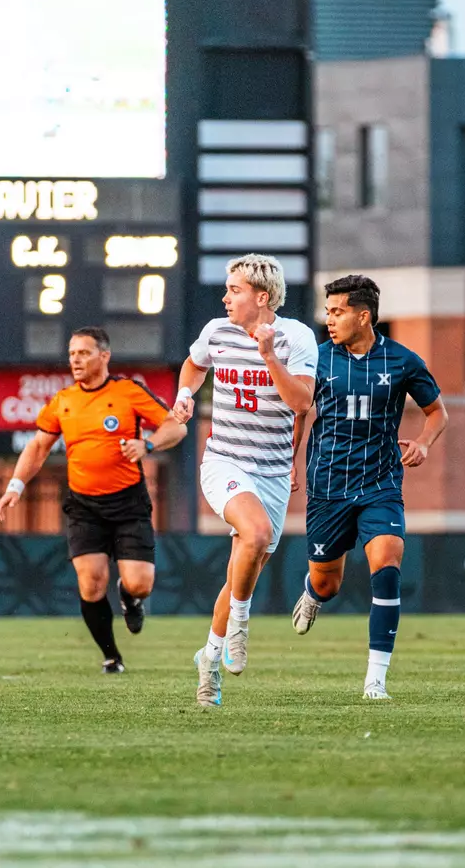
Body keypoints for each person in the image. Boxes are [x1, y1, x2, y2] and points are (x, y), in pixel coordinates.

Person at [291, 275, 448, 700]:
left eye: (337, 311)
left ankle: (375, 679)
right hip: (328, 487)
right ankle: (312, 593)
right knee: (328, 584)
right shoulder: (316, 360)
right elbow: (299, 412)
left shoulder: (402, 361)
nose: (329, 319)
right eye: (328, 311)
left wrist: (422, 443)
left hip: (380, 483)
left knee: (388, 559)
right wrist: (290, 463)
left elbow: (437, 413)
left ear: (364, 316)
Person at [0, 326, 187, 673]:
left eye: (84, 353)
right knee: (91, 581)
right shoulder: (64, 401)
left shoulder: (128, 391)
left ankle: (129, 597)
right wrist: (15, 486)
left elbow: (176, 427)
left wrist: (147, 445)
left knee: (139, 582)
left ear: (104, 356)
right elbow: (38, 447)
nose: (76, 360)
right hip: (84, 505)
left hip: (128, 502)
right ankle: (111, 656)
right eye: (72, 354)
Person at [172, 254, 318, 708]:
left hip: (273, 471)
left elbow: (301, 403)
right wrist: (183, 396)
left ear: (262, 296)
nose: (225, 297)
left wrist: (268, 355)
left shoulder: (297, 337)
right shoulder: (216, 330)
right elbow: (194, 365)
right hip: (225, 462)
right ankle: (239, 624)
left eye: (234, 289)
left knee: (245, 565)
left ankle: (208, 661)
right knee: (253, 534)